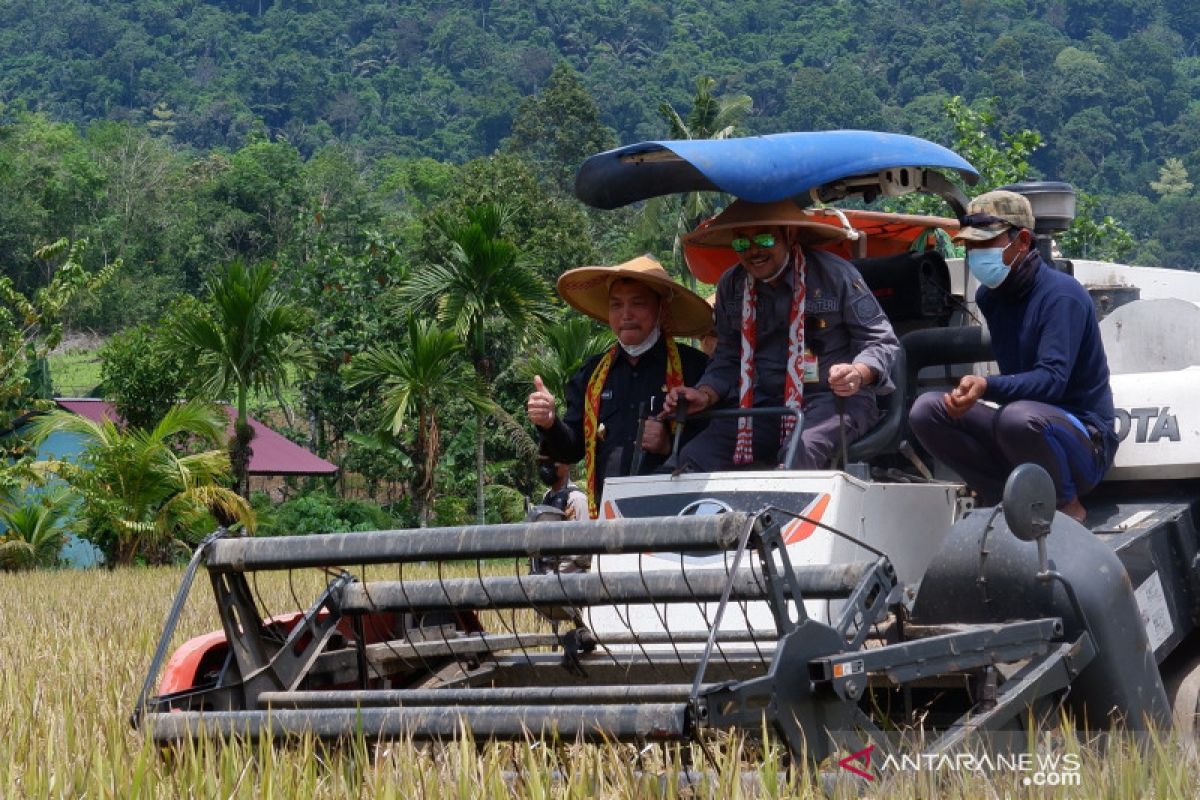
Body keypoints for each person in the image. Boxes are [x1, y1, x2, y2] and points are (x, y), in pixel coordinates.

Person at [907, 190, 1118, 522]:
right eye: (970, 247)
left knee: (1015, 418)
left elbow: (1052, 382)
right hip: (1020, 432)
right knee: (927, 411)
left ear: (1021, 241)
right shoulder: (989, 298)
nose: (975, 255)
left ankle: (1066, 506)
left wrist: (985, 386)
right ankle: (1001, 495)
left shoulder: (1061, 296)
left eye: (985, 244)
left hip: (1083, 443)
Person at [664, 199, 900, 471]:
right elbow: (728, 357)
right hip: (760, 407)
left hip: (832, 401)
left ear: (788, 234)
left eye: (763, 239)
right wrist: (704, 394)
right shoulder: (731, 285)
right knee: (695, 457)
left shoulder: (835, 275)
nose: (753, 251)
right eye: (741, 243)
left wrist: (858, 372)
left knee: (799, 450)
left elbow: (881, 341)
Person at [526, 255, 711, 517]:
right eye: (616, 305)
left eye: (638, 303)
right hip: (608, 522)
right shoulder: (591, 374)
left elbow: (719, 443)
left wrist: (670, 445)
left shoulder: (695, 368)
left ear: (660, 308)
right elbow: (571, 449)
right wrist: (549, 422)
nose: (626, 315)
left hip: (678, 518)